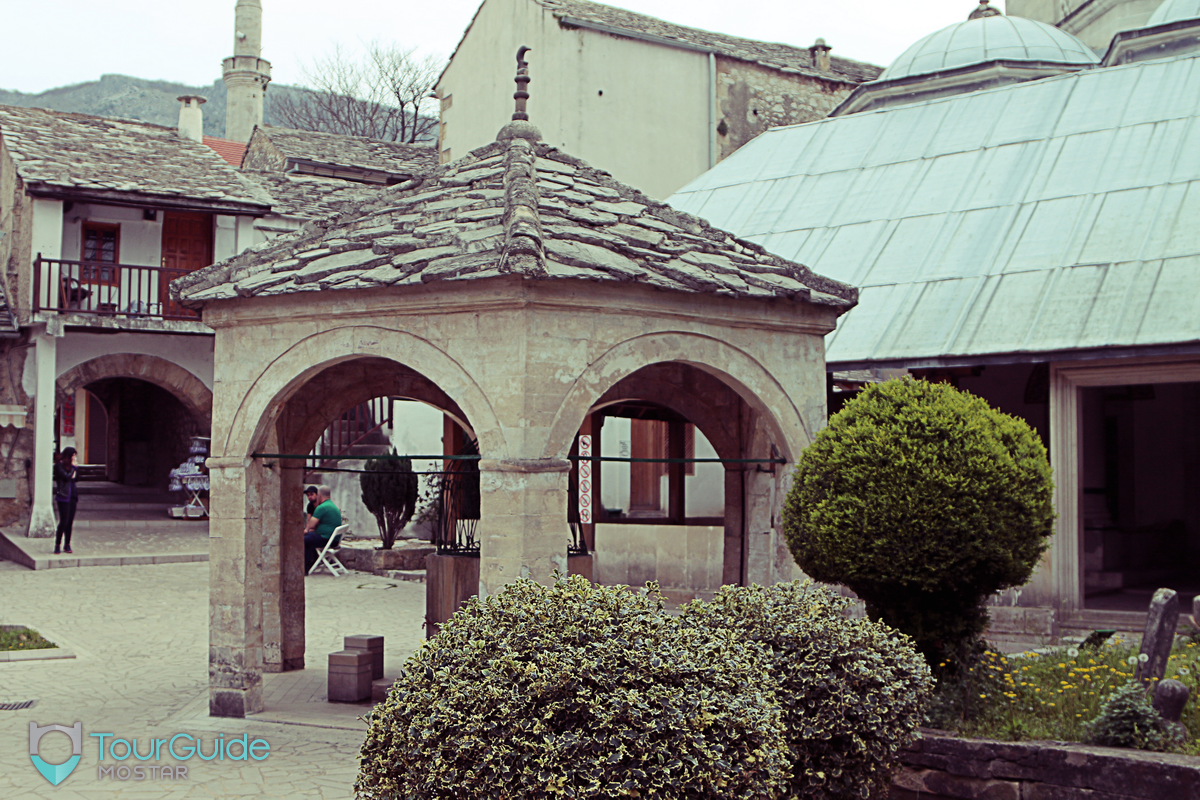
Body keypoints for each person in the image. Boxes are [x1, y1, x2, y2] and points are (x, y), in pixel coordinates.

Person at [303, 485, 342, 574]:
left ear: (319, 495)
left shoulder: (321, 507)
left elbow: (311, 525)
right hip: (333, 539)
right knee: (308, 537)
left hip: (326, 539)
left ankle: (305, 568)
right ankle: (311, 563)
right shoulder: (332, 505)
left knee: (303, 540)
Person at [53, 447, 79, 555]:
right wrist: (73, 468)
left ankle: (67, 543)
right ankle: (57, 544)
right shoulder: (59, 466)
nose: (74, 458)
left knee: (70, 522)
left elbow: (76, 479)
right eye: (73, 455)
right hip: (63, 496)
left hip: (72, 495)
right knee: (63, 521)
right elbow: (66, 476)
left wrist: (75, 469)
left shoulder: (73, 467)